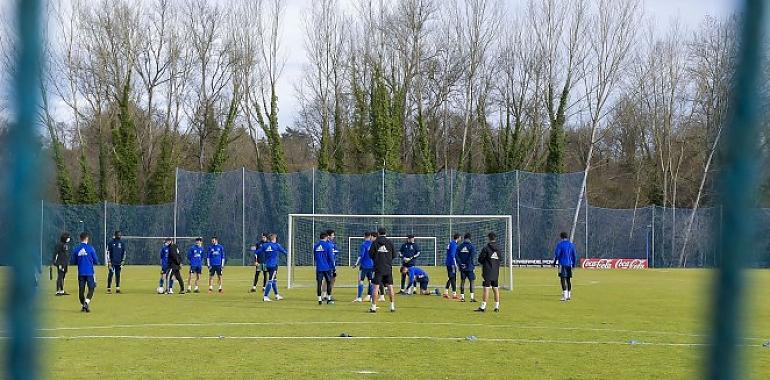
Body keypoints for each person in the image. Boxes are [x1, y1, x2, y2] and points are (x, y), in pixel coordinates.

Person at [368, 227, 397, 313]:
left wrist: (377, 259)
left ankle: (373, 307)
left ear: (378, 233)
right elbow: (394, 255)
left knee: (375, 287)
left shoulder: (375, 242)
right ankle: (392, 306)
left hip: (378, 268)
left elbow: (370, 255)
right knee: (390, 286)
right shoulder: (390, 242)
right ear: (386, 233)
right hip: (388, 268)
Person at [69, 232, 99, 312]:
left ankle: (84, 305)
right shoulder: (91, 248)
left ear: (80, 238)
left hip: (81, 272)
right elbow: (96, 260)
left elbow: (72, 261)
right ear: (87, 238)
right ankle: (86, 303)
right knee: (91, 288)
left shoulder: (76, 249)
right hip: (89, 272)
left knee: (81, 291)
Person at [476, 232, 501, 312]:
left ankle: (483, 307)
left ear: (488, 238)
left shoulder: (486, 248)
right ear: (495, 238)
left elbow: (480, 259)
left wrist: (485, 263)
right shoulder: (498, 248)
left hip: (487, 271)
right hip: (495, 271)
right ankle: (497, 307)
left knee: (486, 288)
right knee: (495, 288)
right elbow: (501, 259)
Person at [258, 233, 287, 301]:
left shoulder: (265, 245)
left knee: (274, 280)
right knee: (270, 281)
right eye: (276, 238)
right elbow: (284, 252)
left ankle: (277, 295)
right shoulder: (277, 245)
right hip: (273, 266)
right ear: (274, 239)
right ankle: (265, 296)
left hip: (267, 265)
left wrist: (256, 260)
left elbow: (257, 252)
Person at [552, 232, 577, 301]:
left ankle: (565, 296)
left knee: (562, 279)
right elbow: (574, 255)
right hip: (569, 264)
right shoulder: (571, 245)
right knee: (568, 279)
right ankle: (569, 295)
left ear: (561, 237)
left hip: (562, 264)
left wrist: (554, 262)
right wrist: (574, 264)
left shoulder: (560, 244)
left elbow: (557, 254)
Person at [352, 232, 375, 302]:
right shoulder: (373, 244)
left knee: (361, 281)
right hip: (371, 266)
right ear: (370, 236)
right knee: (371, 281)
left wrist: (356, 264)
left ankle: (359, 297)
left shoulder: (363, 244)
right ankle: (371, 297)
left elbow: (361, 255)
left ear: (364, 236)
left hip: (364, 266)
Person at [313, 232, 334, 305]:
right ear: (325, 237)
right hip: (327, 267)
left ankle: (319, 300)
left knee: (319, 283)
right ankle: (329, 299)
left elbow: (315, 257)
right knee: (329, 282)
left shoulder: (316, 246)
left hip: (319, 268)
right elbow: (331, 257)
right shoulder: (328, 245)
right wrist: (333, 267)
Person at [456, 233, 477, 302]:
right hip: (470, 267)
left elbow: (456, 256)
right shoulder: (471, 246)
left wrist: (461, 264)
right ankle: (472, 298)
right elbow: (471, 257)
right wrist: (467, 264)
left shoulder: (460, 246)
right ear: (470, 238)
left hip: (462, 267)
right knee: (471, 281)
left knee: (462, 281)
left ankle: (462, 298)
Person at [443, 233, 461, 299]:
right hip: (452, 263)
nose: (460, 239)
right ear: (458, 237)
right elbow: (452, 255)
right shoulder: (454, 244)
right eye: (460, 237)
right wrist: (455, 264)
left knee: (451, 277)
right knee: (453, 278)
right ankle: (454, 294)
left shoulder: (451, 243)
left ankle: (446, 292)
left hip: (448, 263)